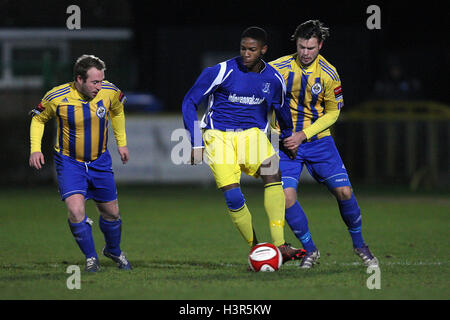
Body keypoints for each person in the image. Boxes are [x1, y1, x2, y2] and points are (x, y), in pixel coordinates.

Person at [182, 26, 305, 264]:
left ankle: (280, 244)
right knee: (234, 197)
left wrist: (289, 136)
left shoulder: (274, 78)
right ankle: (257, 248)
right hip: (218, 136)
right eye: (243, 48)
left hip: (252, 135)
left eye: (252, 49)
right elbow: (189, 101)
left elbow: (281, 110)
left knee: (273, 171)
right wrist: (196, 142)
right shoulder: (221, 71)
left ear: (263, 50)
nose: (246, 54)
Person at [270, 20, 378, 268]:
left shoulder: (329, 74)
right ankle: (310, 250)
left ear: (320, 45)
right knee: (284, 198)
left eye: (310, 47)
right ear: (295, 44)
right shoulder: (278, 68)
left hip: (318, 143)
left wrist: (303, 135)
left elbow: (333, 113)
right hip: (285, 144)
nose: (305, 53)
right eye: (301, 47)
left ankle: (360, 245)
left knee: (344, 192)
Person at [29, 54, 132, 272]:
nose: (99, 86)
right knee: (76, 211)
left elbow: (118, 111)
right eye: (95, 82)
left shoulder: (110, 92)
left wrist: (122, 143)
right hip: (69, 162)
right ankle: (91, 258)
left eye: (101, 80)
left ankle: (113, 250)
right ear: (79, 79)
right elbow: (38, 118)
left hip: (100, 161)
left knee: (112, 213)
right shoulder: (57, 96)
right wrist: (35, 149)